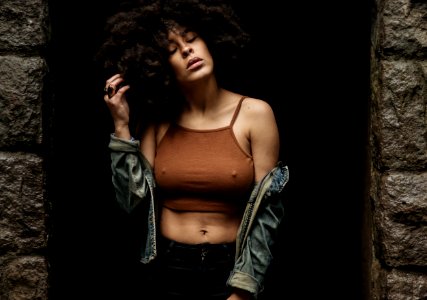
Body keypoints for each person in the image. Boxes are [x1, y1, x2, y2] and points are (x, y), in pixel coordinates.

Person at [95, 0, 289, 299]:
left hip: (231, 267)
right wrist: (121, 127)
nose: (186, 50)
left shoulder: (255, 114)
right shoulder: (158, 123)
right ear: (159, 64)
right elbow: (130, 201)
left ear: (209, 41)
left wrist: (243, 289)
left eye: (191, 39)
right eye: (172, 50)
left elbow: (267, 214)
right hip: (167, 268)